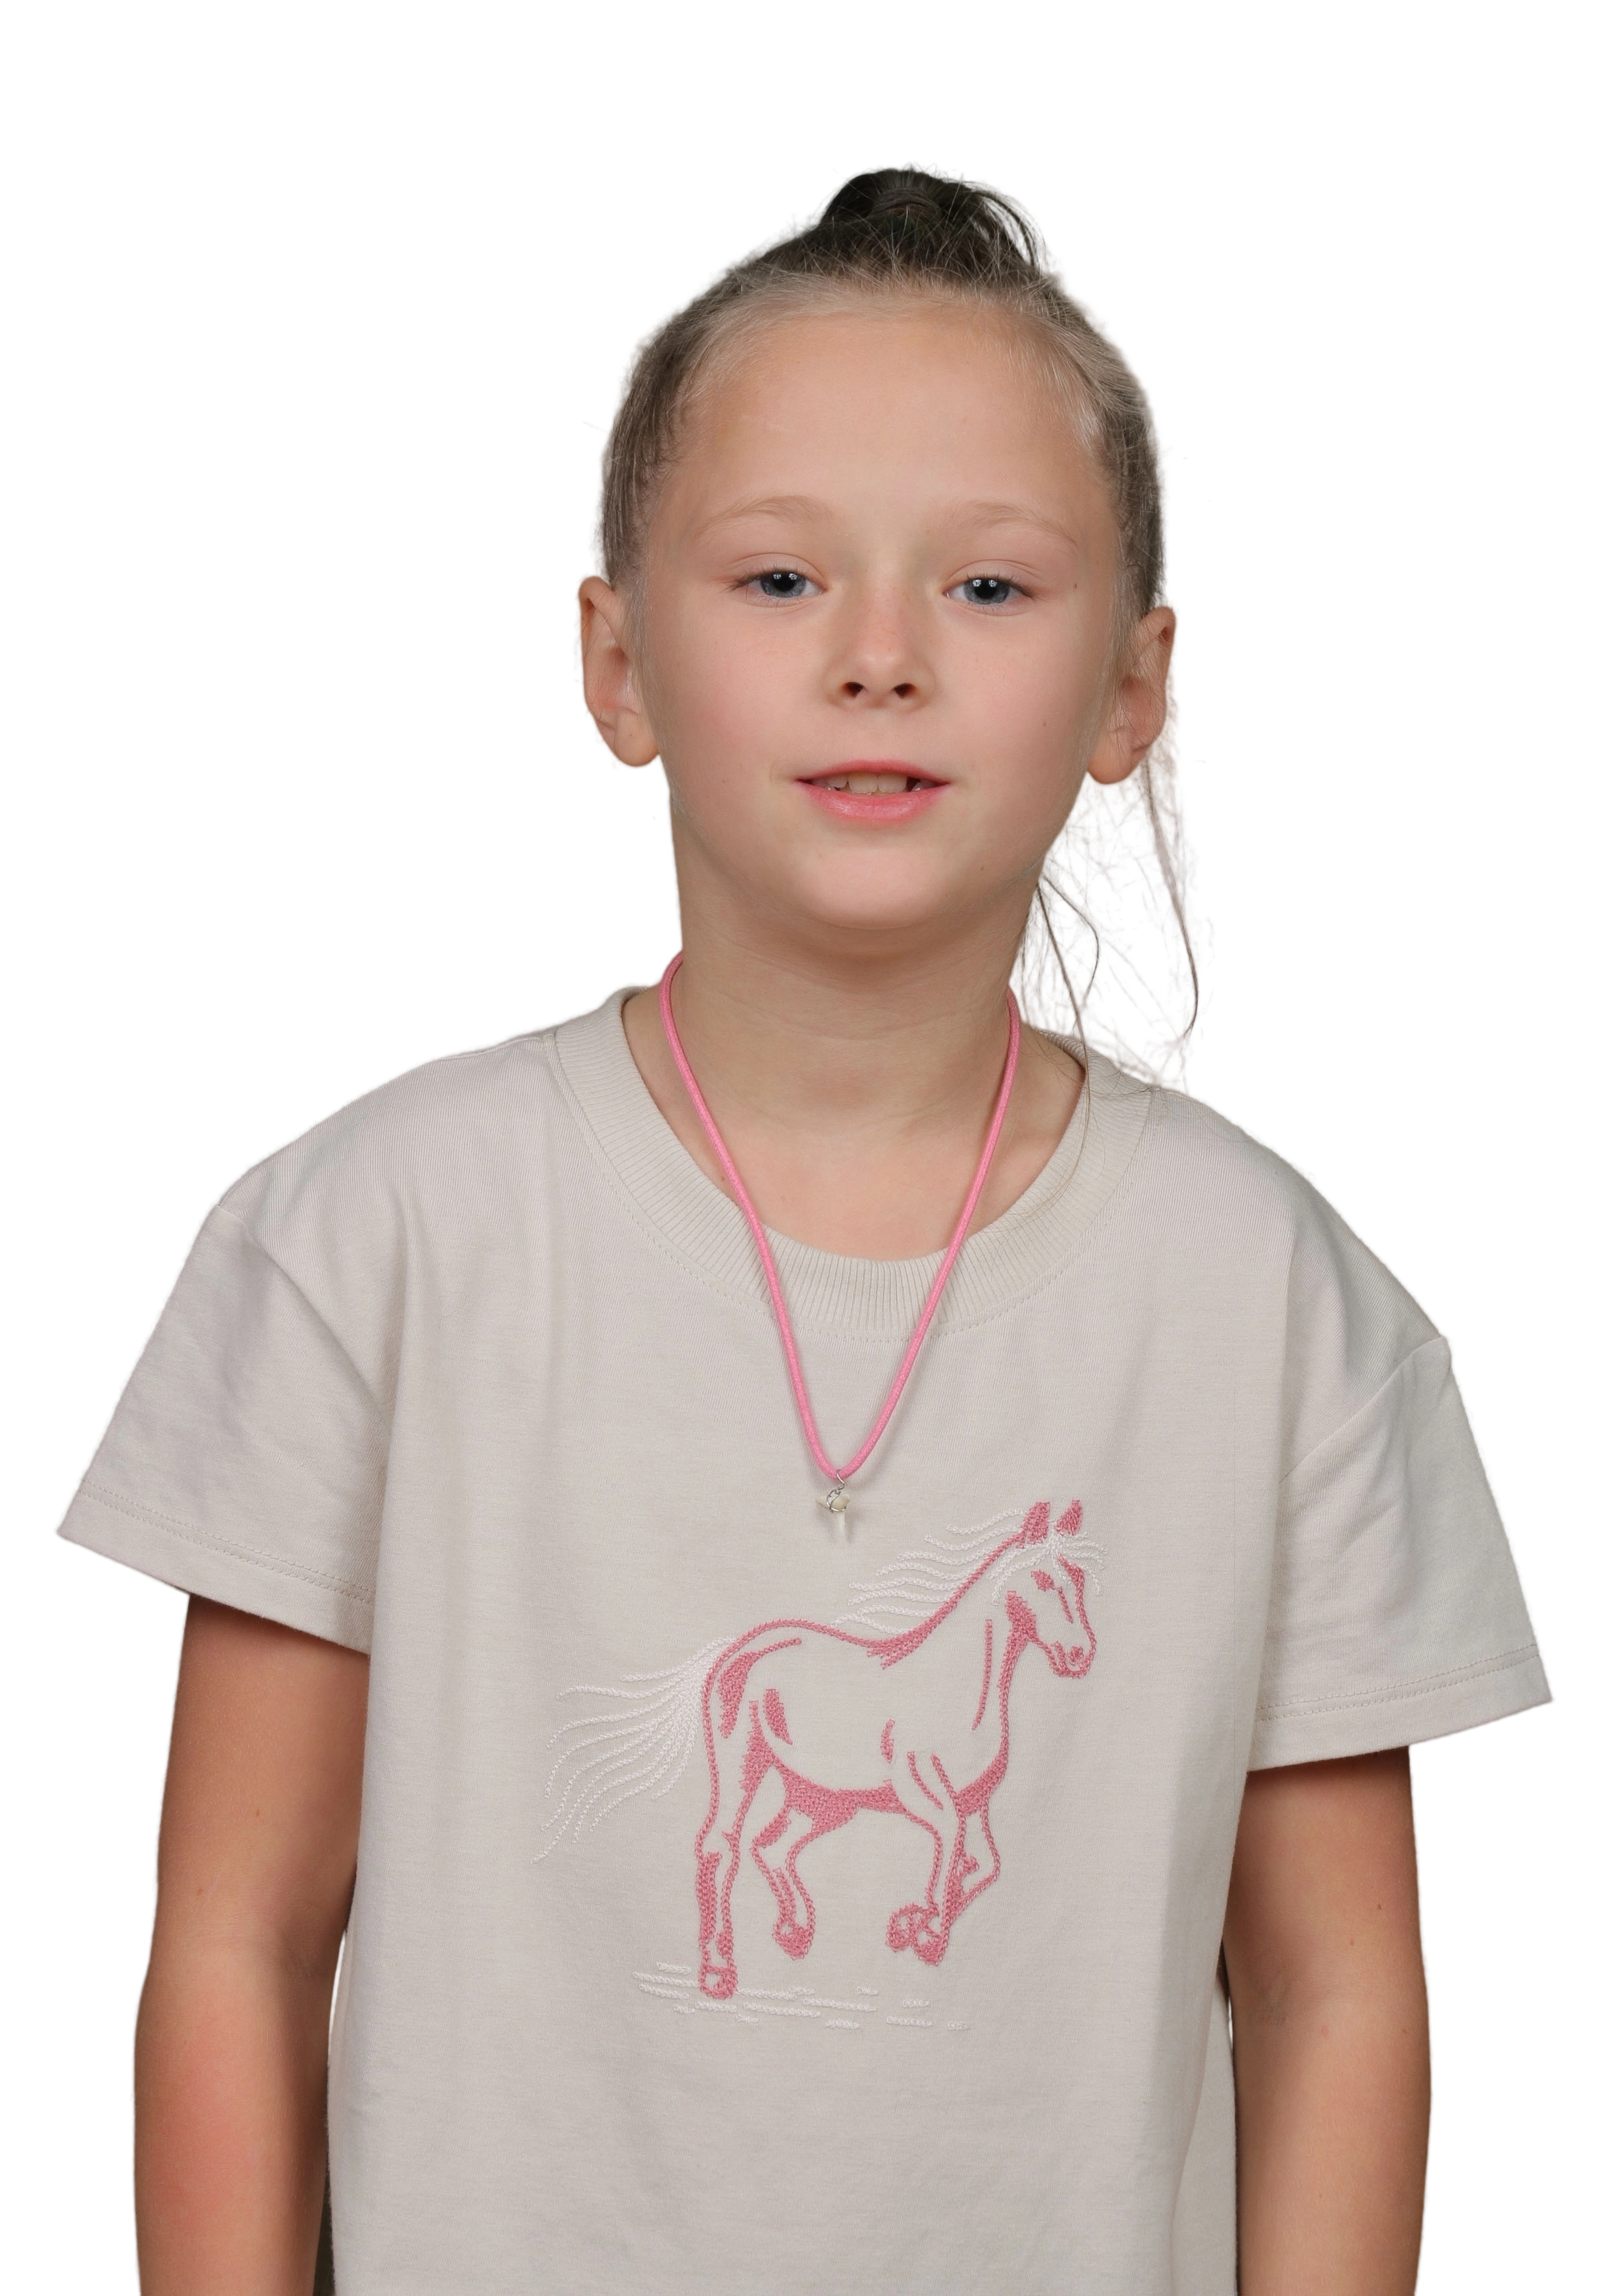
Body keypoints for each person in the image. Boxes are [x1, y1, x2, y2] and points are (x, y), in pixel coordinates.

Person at [52, 161, 1552, 2296]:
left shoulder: (1279, 1303)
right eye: (778, 577)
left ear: (1132, 693)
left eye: (989, 587)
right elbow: (239, 1939)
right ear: (615, 664)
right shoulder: (371, 1234)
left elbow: (1332, 1996)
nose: (878, 659)